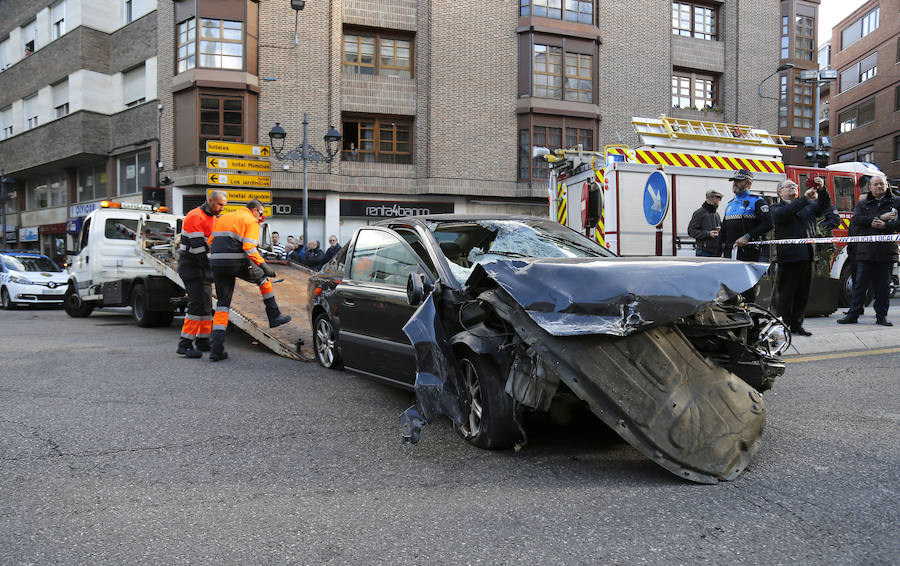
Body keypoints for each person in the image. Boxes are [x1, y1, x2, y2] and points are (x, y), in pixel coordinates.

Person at [208, 200, 292, 361]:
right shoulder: (251, 221)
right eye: (261, 213)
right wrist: (264, 266)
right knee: (263, 279)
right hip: (235, 262)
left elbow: (210, 242)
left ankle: (216, 349)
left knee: (223, 305)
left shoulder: (224, 218)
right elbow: (249, 248)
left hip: (217, 264)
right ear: (255, 211)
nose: (261, 217)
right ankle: (274, 316)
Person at [837, 174, 899, 326]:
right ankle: (853, 314)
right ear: (870, 187)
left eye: (881, 184)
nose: (879, 186)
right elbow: (857, 220)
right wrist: (879, 218)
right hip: (866, 251)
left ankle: (881, 316)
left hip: (886, 252)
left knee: (883, 286)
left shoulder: (897, 202)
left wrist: (886, 226)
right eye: (875, 184)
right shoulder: (863, 203)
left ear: (887, 185)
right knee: (860, 285)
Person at [771, 179, 830, 336]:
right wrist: (804, 199)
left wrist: (822, 190)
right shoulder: (777, 207)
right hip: (789, 257)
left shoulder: (807, 206)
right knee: (786, 294)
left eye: (795, 186)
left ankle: (797, 324)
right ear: (780, 192)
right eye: (788, 186)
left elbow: (823, 207)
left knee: (803, 294)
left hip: (808, 255)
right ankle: (782, 324)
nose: (793, 188)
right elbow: (784, 214)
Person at [175, 190, 227, 358]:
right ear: (210, 200)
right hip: (191, 267)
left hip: (201, 267)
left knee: (205, 305)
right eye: (219, 204)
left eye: (224, 205)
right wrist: (208, 270)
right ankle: (185, 344)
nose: (221, 208)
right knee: (197, 304)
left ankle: (203, 341)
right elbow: (197, 248)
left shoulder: (213, 219)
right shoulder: (195, 216)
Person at [717, 168, 773, 301]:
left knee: (746, 289)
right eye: (734, 181)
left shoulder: (757, 201)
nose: (735, 183)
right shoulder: (730, 204)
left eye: (739, 181)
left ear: (749, 184)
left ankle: (749, 316)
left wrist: (748, 236)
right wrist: (717, 254)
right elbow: (723, 230)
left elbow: (768, 224)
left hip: (748, 253)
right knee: (729, 289)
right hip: (730, 254)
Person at [687, 190, 723, 256]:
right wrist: (708, 234)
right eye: (720, 199)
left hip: (716, 251)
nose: (720, 201)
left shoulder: (716, 214)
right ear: (714, 198)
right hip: (704, 251)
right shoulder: (699, 213)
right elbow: (691, 231)